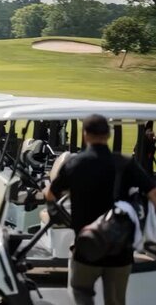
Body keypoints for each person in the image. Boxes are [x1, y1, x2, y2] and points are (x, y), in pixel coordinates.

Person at [44, 114, 156, 305]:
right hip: (120, 249)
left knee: (80, 289)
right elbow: (153, 193)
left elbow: (50, 195)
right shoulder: (125, 164)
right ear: (109, 135)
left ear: (85, 134)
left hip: (87, 246)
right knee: (116, 300)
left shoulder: (74, 164)